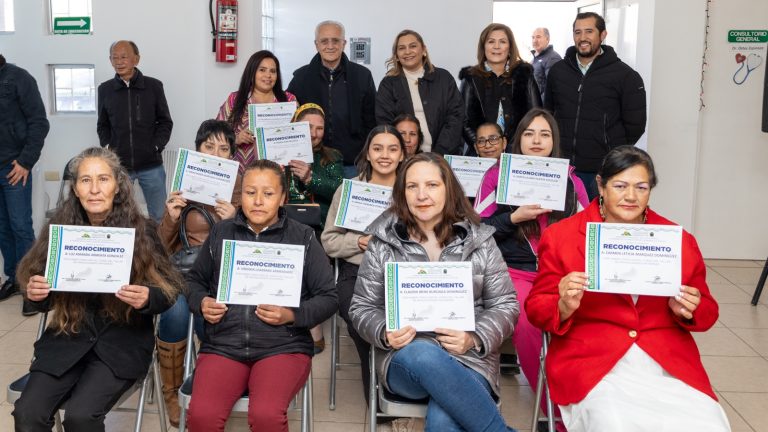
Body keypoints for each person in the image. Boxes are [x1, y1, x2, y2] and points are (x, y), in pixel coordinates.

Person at [525, 146, 731, 432]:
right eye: (620, 186)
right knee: (612, 421)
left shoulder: (677, 240)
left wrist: (689, 310)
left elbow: (708, 311)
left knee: (707, 422)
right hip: (594, 359)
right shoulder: (562, 236)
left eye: (641, 187)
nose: (631, 196)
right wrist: (562, 305)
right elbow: (536, 308)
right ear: (601, 185)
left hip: (664, 359)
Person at [12, 147, 182, 431]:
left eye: (103, 179)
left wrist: (147, 297)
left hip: (121, 344)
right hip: (67, 339)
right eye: (85, 180)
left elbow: (169, 291)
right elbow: (36, 287)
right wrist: (36, 292)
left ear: (118, 186)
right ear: (75, 189)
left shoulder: (144, 231)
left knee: (80, 416)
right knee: (27, 413)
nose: (94, 189)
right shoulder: (59, 229)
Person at [350, 152, 519, 432]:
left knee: (444, 422)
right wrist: (383, 331)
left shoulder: (480, 240)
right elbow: (361, 307)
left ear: (448, 189)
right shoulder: (383, 242)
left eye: (431, 185)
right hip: (405, 358)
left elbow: (506, 304)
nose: (421, 195)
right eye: (412, 186)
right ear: (402, 193)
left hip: (469, 358)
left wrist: (473, 337)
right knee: (423, 355)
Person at [185, 159, 337, 432]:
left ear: (282, 198)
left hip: (283, 347)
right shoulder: (221, 233)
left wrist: (293, 315)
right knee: (201, 416)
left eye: (267, 194)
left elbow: (329, 297)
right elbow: (194, 281)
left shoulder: (302, 237)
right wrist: (202, 302)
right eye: (249, 192)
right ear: (240, 195)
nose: (257, 201)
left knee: (266, 415)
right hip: (224, 345)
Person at [475, 109, 589, 431]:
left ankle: (587, 400)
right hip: (513, 270)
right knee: (528, 320)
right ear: (517, 139)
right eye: (529, 134)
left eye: (544, 134)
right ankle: (553, 414)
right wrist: (513, 217)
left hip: (560, 272)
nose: (537, 141)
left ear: (554, 141)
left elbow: (587, 229)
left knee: (585, 321)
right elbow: (475, 229)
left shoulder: (571, 180)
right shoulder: (498, 176)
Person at [156, 119, 241, 427]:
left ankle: (207, 381)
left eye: (224, 148)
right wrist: (170, 215)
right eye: (209, 147)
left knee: (215, 315)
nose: (216, 153)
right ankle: (170, 392)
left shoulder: (244, 189)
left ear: (232, 155)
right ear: (197, 151)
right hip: (186, 273)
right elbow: (160, 248)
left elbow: (256, 246)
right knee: (176, 313)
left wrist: (235, 219)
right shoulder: (184, 189)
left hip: (225, 277)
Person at [321, 125, 405, 403]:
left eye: (392, 149)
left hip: (402, 274)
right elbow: (329, 240)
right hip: (356, 272)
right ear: (367, 153)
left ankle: (395, 389)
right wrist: (356, 242)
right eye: (377, 148)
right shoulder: (349, 190)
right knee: (363, 320)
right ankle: (378, 391)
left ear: (403, 154)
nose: (385, 155)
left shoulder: (412, 191)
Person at [545, 12, 646, 200]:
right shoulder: (558, 72)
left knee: (595, 225)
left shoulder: (626, 76)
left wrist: (610, 153)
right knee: (560, 226)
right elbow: (548, 115)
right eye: (578, 32)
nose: (582, 38)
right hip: (560, 167)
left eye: (589, 31)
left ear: (603, 35)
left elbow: (635, 126)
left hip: (600, 171)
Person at [286, 103, 344, 354]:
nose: (314, 133)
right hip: (283, 224)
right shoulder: (280, 155)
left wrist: (311, 177)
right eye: (309, 127)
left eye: (319, 128)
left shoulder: (332, 157)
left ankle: (310, 323)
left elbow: (340, 192)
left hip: (319, 226)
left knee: (310, 252)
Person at [287, 20, 377, 179]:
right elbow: (288, 117)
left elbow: (371, 121)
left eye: (335, 40)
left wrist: (368, 156)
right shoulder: (301, 77)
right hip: (312, 164)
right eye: (324, 41)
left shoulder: (362, 76)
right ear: (316, 44)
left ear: (344, 43)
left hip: (353, 163)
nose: (330, 46)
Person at [97, 40, 173, 222]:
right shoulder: (105, 89)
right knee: (120, 217)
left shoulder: (154, 86)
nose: (119, 61)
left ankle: (158, 251)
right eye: (114, 58)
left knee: (159, 217)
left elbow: (165, 122)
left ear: (136, 59)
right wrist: (108, 147)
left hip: (151, 166)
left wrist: (155, 146)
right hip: (120, 168)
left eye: (124, 57)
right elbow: (103, 125)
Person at [0, 54, 49, 317]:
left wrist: (25, 161)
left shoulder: (19, 78)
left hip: (14, 167)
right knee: (2, 228)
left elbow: (39, 122)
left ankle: (30, 286)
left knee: (20, 226)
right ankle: (12, 278)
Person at [376, 29, 464, 156]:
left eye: (413, 46)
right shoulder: (388, 84)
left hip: (443, 155)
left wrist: (439, 154)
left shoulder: (444, 78)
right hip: (404, 157)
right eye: (401, 48)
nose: (407, 52)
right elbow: (385, 124)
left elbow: (455, 117)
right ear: (396, 55)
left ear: (423, 50)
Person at [460, 23, 541, 156]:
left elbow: (536, 116)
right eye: (491, 41)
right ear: (483, 47)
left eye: (502, 42)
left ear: (509, 47)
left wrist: (515, 147)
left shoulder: (524, 75)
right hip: (480, 154)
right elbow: (464, 121)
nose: (496, 46)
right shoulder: (471, 77)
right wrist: (483, 146)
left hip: (518, 152)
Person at [217, 50, 297, 174]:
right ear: (252, 72)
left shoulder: (289, 100)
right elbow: (216, 135)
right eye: (262, 70)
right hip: (239, 174)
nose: (268, 75)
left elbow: (299, 135)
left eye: (273, 71)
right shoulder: (235, 99)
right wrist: (236, 139)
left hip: (279, 174)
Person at [530, 28, 562, 103]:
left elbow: (552, 88)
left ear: (547, 39)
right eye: (533, 37)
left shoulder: (552, 58)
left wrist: (539, 107)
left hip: (542, 109)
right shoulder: (535, 59)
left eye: (538, 37)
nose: (535, 40)